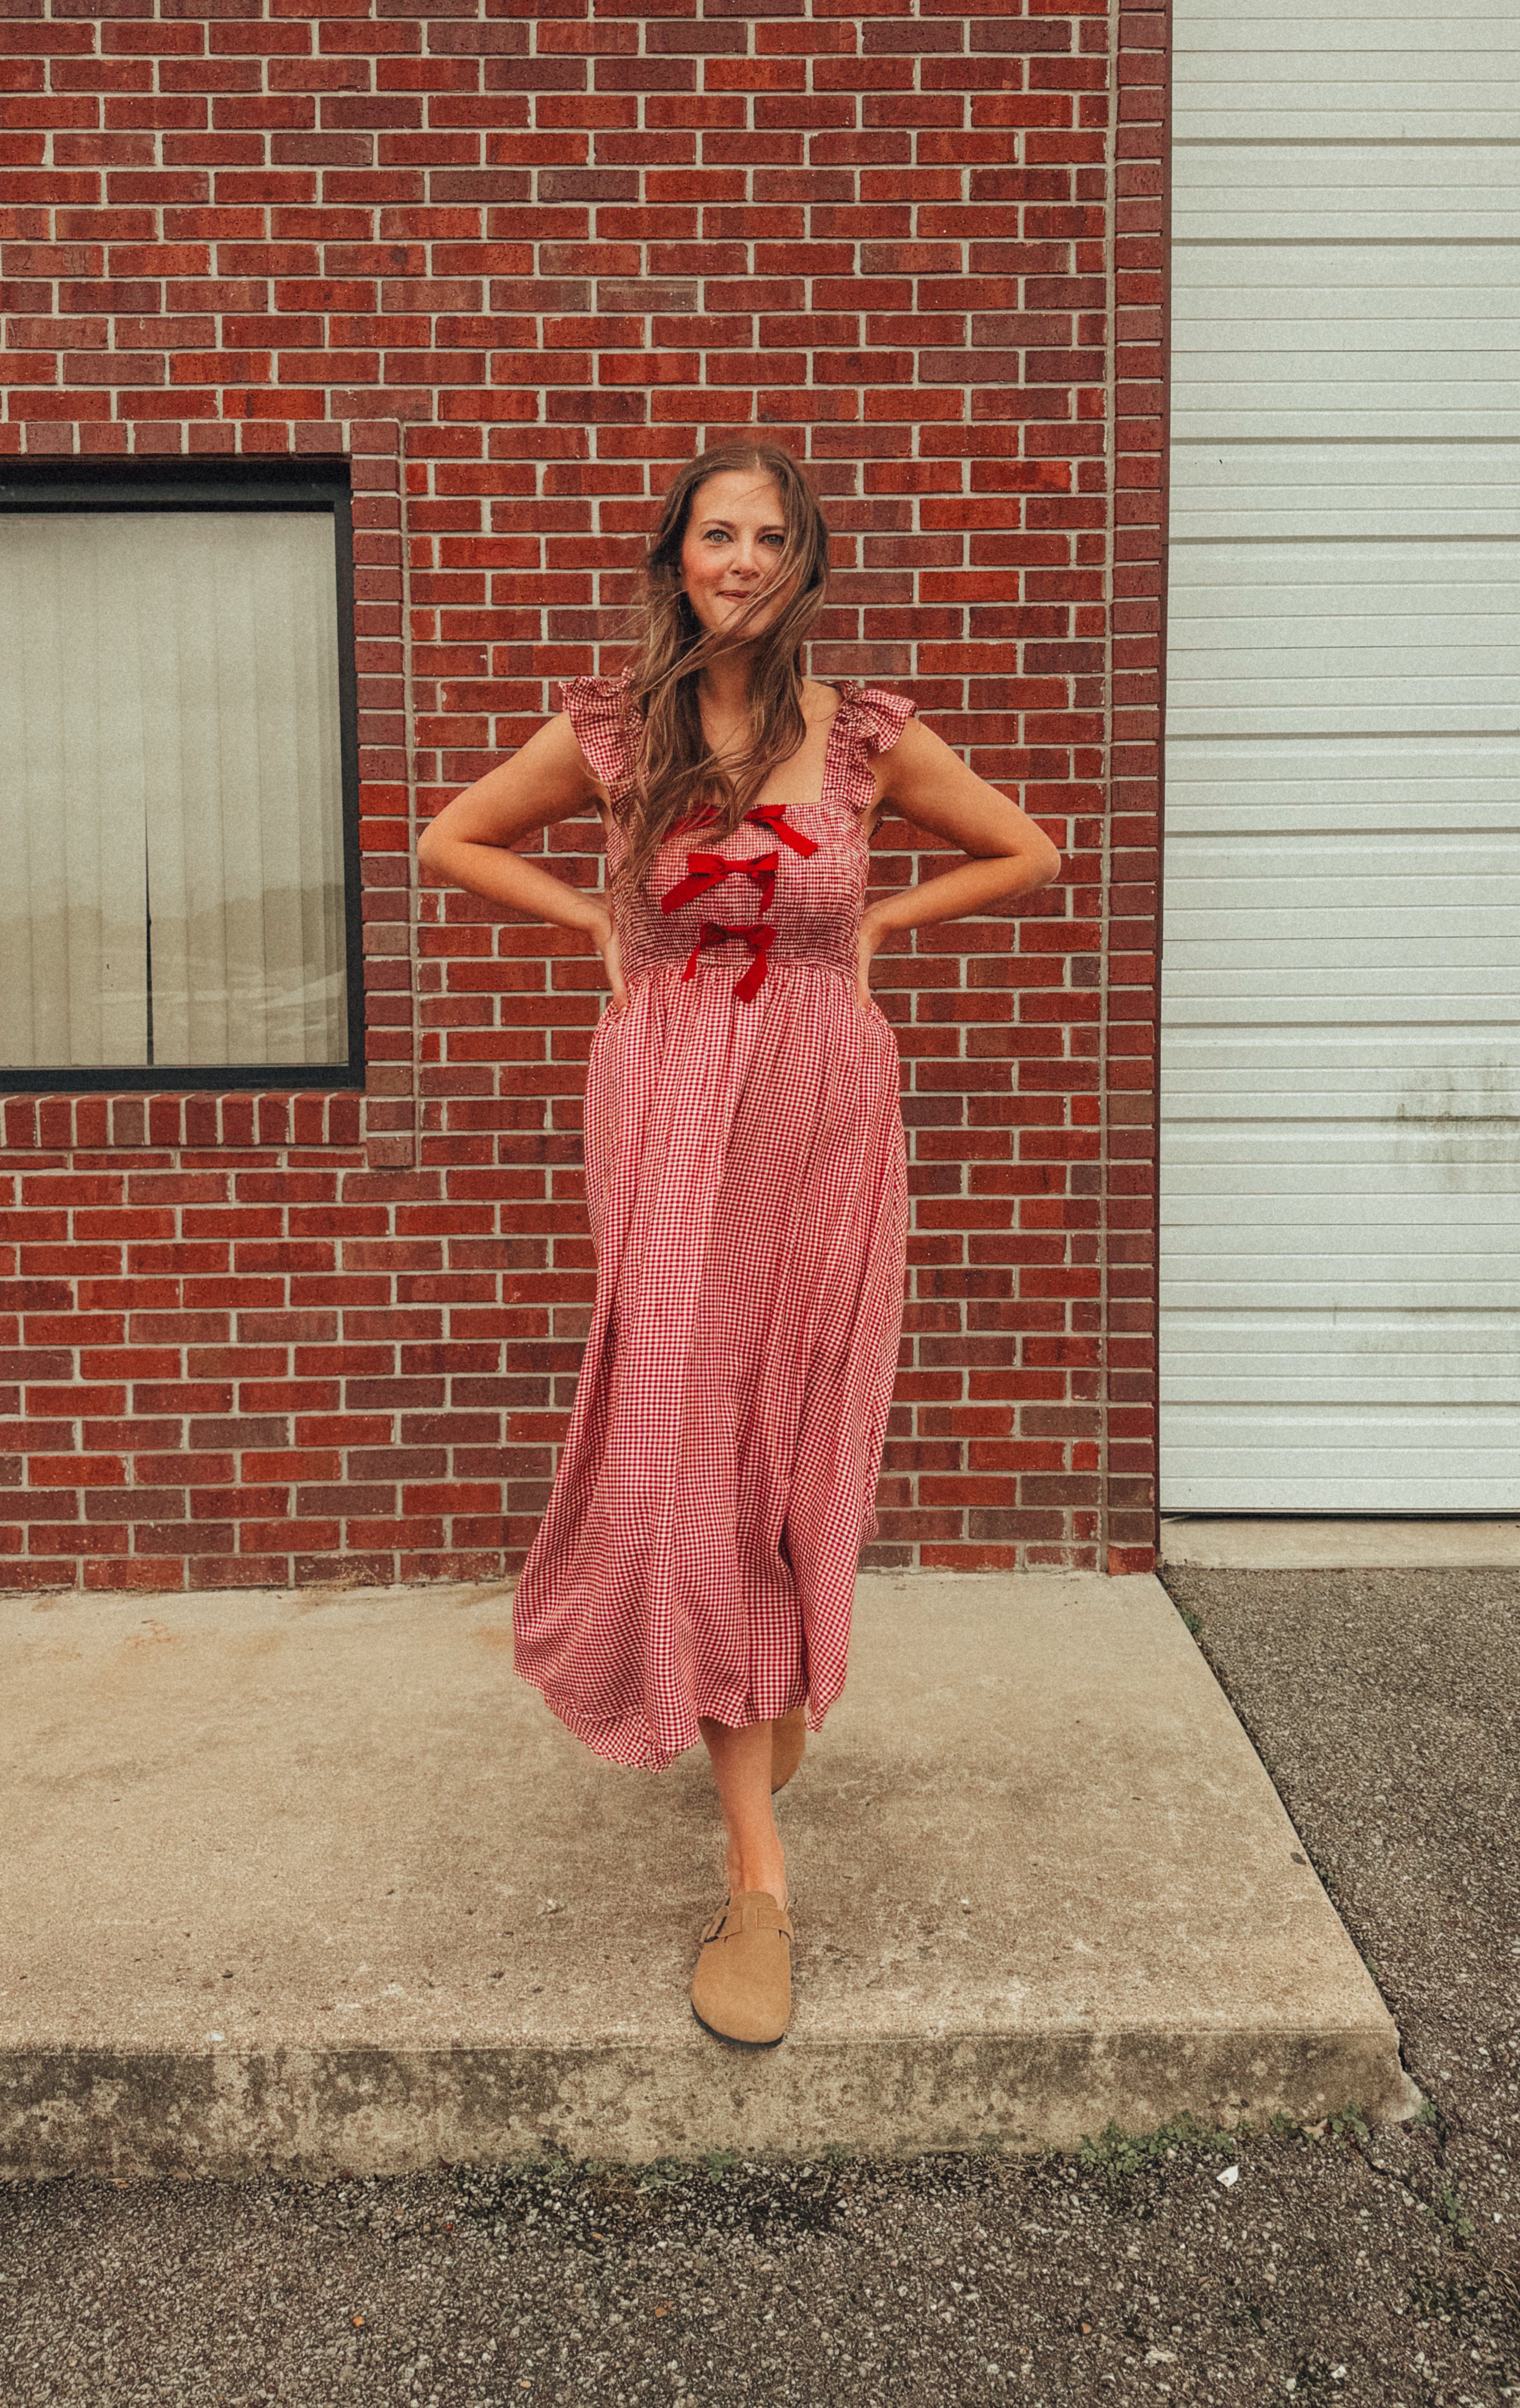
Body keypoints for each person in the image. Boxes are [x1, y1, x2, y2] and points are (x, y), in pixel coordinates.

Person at [417, 443, 1059, 2048]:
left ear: (807, 564)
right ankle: (758, 1877)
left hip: (821, 1108)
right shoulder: (616, 732)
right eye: (719, 532)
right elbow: (453, 840)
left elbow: (1026, 850)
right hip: (667, 1103)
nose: (745, 558)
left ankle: (762, 1680)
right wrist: (595, 925)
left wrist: (874, 939)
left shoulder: (862, 739)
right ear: (676, 557)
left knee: (787, 1438)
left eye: (774, 537)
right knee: (684, 1441)